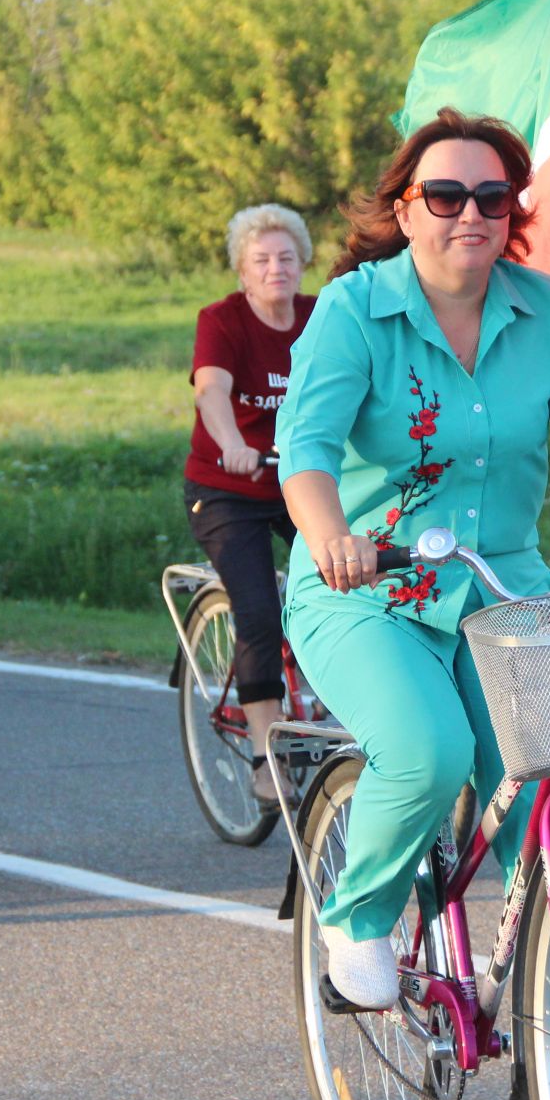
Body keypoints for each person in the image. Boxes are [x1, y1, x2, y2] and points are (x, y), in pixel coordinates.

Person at [275, 109, 550, 1097]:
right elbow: (304, 451)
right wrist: (328, 536)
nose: (469, 212)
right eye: (445, 194)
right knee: (427, 750)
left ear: (511, 209)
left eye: (490, 195)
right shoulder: (354, 310)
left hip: (497, 590)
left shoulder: (540, 309)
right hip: (365, 587)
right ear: (405, 207)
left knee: (545, 801)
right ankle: (359, 911)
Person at [183, 203, 318, 808]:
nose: (275, 269)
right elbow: (212, 388)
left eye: (286, 257)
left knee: (355, 577)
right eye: (261, 260)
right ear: (242, 270)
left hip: (298, 482)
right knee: (259, 610)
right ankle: (266, 757)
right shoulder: (223, 321)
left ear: (302, 263)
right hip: (226, 488)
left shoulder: (319, 317)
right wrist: (234, 444)